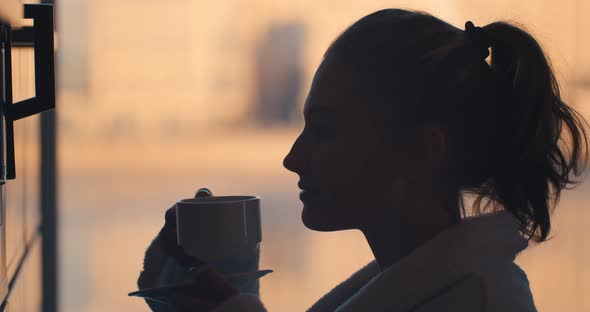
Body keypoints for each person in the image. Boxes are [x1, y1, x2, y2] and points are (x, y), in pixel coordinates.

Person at [135, 8, 589, 312]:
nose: (292, 159)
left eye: (326, 131)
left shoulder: (481, 303)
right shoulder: (438, 289)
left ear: (419, 152)